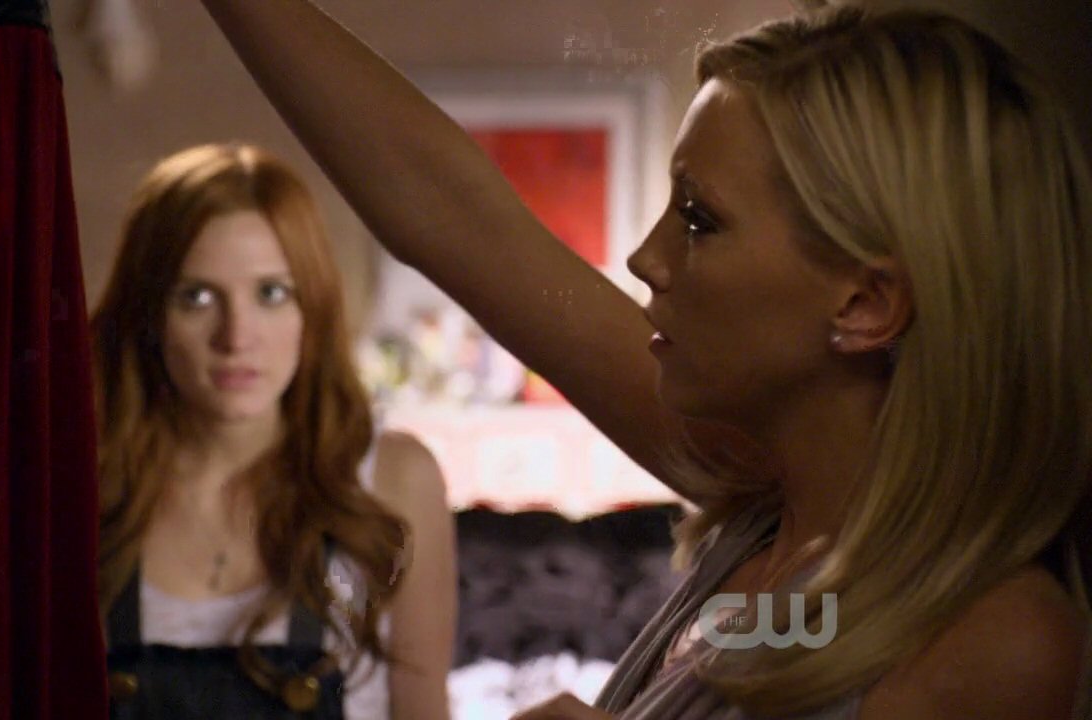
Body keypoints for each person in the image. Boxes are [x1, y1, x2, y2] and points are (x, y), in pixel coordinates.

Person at [194, 2, 1092, 719]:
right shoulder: (776, 516)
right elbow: (454, 217)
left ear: (865, 304)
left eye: (700, 220)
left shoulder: (994, 639)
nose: (644, 258)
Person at [90, 142, 456, 719]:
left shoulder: (392, 479)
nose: (236, 337)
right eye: (197, 297)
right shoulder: (84, 483)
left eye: (271, 293)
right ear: (148, 312)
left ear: (313, 306)